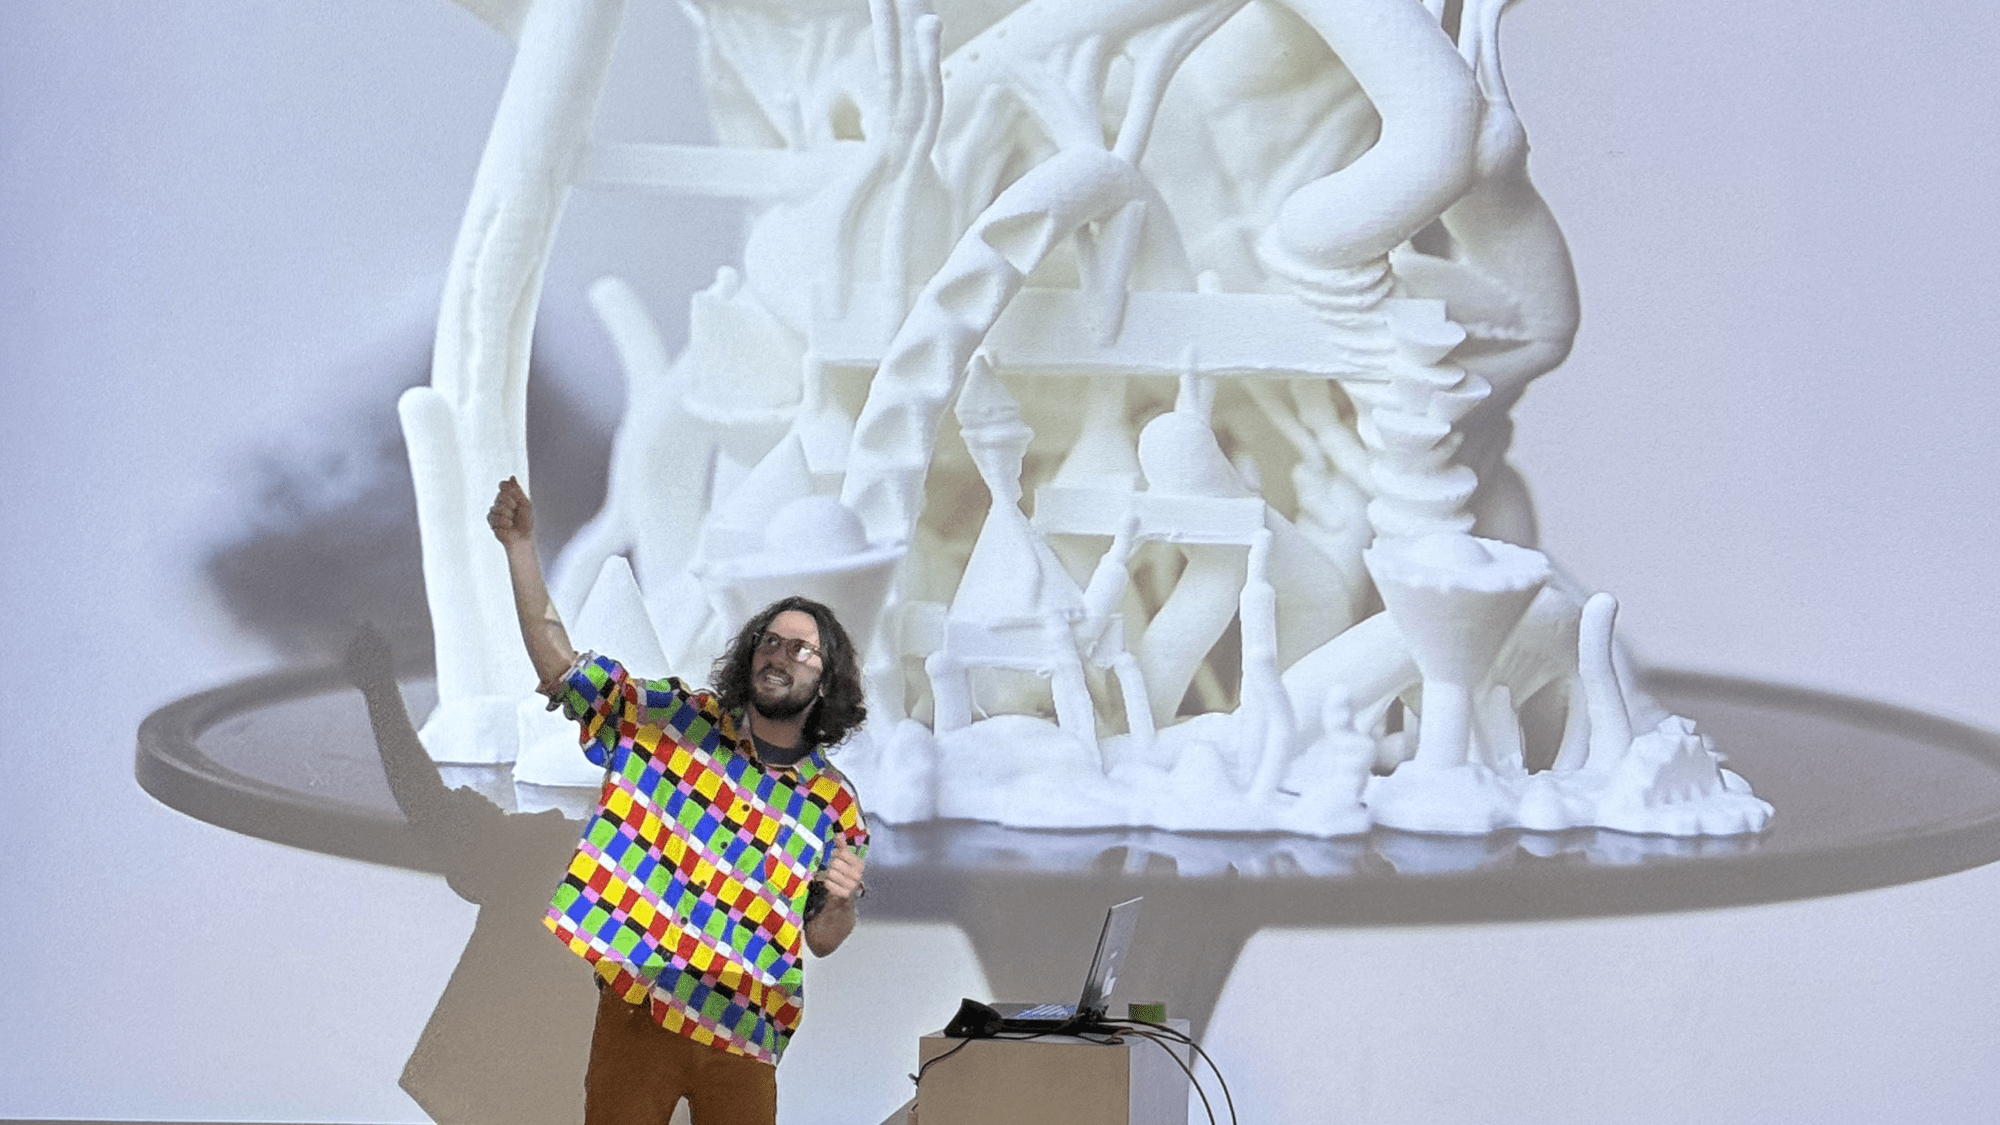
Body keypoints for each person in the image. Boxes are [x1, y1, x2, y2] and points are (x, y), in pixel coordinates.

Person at [487, 476, 870, 1125]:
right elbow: (561, 669)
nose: (779, 655)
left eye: (802, 648)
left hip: (746, 1028)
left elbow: (825, 937)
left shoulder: (833, 803)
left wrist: (840, 900)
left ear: (827, 680)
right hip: (642, 1006)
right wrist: (521, 547)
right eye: (770, 641)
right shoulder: (674, 721)